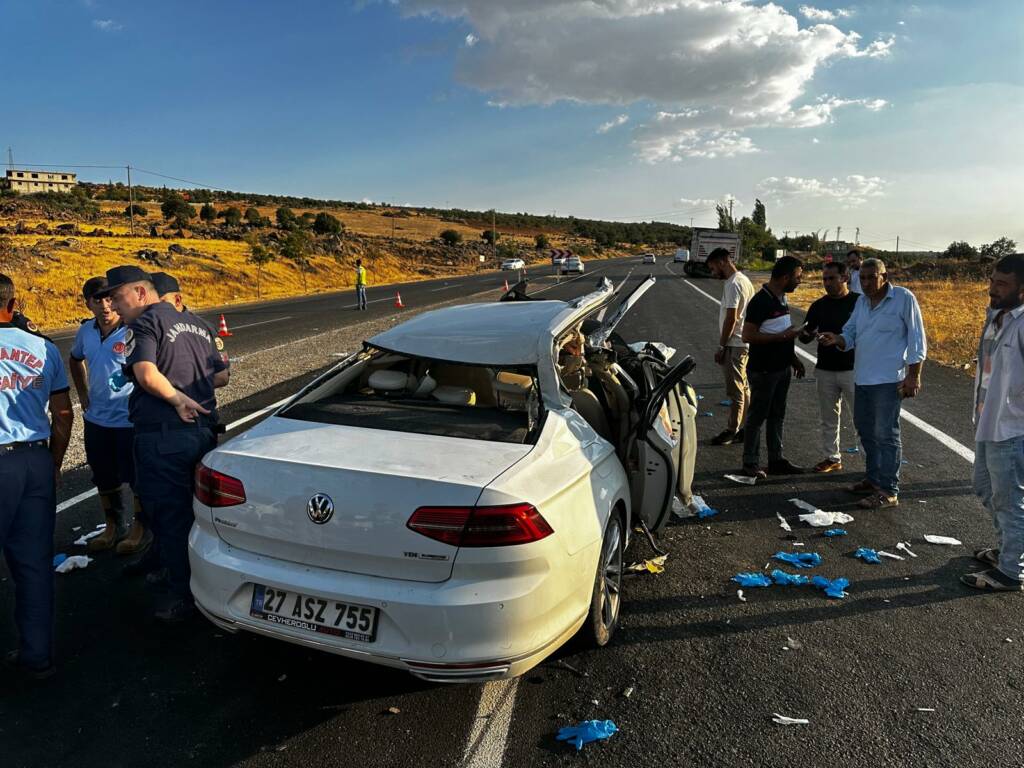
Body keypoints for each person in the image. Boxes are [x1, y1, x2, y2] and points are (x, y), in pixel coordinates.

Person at [101, 265, 229, 621]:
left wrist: (175, 398)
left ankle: (184, 595)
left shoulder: (146, 323)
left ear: (141, 293)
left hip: (165, 434)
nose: (112, 303)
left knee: (169, 515)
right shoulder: (199, 324)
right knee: (195, 514)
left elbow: (144, 373)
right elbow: (221, 375)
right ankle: (184, 574)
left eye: (117, 295)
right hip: (201, 431)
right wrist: (190, 389)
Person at [0, 273, 74, 679]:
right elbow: (63, 413)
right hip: (33, 461)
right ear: (14, 304)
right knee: (33, 565)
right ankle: (36, 654)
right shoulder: (43, 348)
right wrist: (55, 462)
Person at [819, 258, 927, 509]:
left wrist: (914, 375)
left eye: (871, 277)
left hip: (889, 380)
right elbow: (851, 334)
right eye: (863, 278)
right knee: (866, 432)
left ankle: (888, 490)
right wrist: (836, 339)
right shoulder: (861, 302)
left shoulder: (903, 298)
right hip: (863, 378)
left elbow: (916, 338)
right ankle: (873, 479)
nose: (866, 282)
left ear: (884, 277)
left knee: (886, 435)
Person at [68, 277, 149, 555]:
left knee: (136, 477)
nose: (104, 306)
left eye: (108, 299)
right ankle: (113, 527)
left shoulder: (131, 331)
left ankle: (140, 528)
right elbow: (75, 358)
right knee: (104, 476)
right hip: (97, 420)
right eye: (97, 300)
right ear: (87, 304)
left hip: (128, 420)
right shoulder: (85, 332)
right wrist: (82, 393)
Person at [961, 254, 1024, 592]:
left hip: (1013, 429)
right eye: (992, 281)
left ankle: (1012, 572)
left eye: (1002, 284)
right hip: (989, 420)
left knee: (1009, 499)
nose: (992, 289)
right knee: (985, 488)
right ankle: (1008, 551)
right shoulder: (997, 318)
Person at [739, 256, 806, 478]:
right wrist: (782, 337)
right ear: (785, 277)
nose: (800, 281)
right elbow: (747, 335)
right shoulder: (761, 301)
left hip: (781, 368)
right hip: (764, 370)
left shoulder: (782, 298)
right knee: (757, 417)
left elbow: (782, 331)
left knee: (777, 415)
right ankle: (750, 463)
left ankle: (776, 460)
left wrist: (793, 358)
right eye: (798, 277)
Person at [799, 261, 860, 473]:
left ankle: (871, 464)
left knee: (861, 418)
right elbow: (806, 336)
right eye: (824, 279)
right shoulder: (819, 305)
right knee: (828, 418)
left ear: (845, 278)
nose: (826, 283)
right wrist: (806, 334)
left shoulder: (859, 303)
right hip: (826, 369)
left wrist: (840, 340)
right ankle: (832, 457)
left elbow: (867, 334)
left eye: (831, 278)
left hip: (854, 369)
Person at [707, 247, 754, 446]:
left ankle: (732, 430)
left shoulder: (733, 284)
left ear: (722, 262)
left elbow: (731, 318)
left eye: (712, 268)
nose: (712, 272)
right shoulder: (743, 280)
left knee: (735, 390)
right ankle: (747, 427)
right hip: (742, 342)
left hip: (735, 343)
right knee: (743, 387)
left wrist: (721, 345)